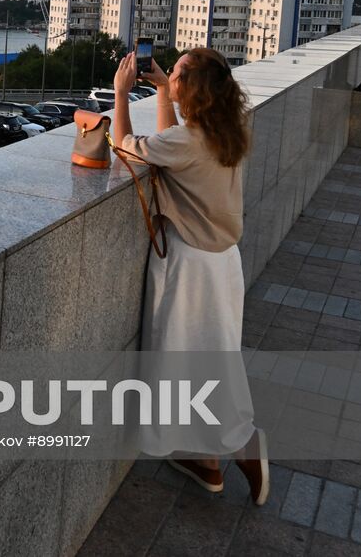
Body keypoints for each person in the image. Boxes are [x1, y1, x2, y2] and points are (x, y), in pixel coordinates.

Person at [111, 47, 269, 505]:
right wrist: (163, 90)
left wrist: (122, 95)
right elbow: (172, 141)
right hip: (222, 262)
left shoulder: (192, 140)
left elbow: (130, 148)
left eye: (176, 72)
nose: (169, 72)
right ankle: (207, 462)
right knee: (214, 359)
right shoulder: (225, 131)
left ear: (193, 89)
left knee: (182, 361)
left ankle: (242, 444)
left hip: (192, 266)